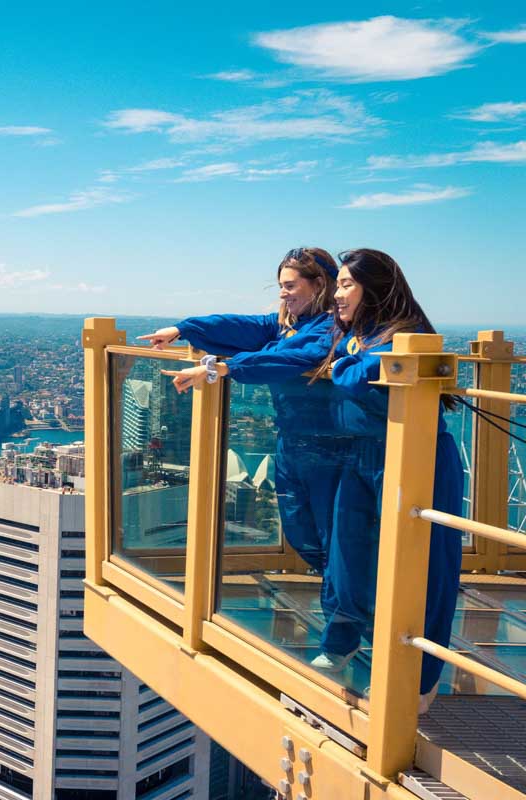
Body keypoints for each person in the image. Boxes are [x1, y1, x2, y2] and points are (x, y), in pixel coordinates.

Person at [311, 248, 462, 709]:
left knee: (422, 569)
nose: (336, 294)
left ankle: (419, 678)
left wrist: (343, 365)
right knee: (346, 557)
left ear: (372, 288)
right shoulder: (358, 334)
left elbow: (358, 377)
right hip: (362, 455)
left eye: (345, 285)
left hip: (416, 456)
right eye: (337, 284)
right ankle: (344, 643)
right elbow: (350, 369)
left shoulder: (408, 335)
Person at [138, 247, 339, 572]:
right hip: (293, 444)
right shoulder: (289, 326)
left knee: (331, 542)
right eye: (281, 287)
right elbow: (239, 328)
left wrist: (222, 368)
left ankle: (348, 612)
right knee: (304, 533)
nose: (283, 295)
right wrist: (183, 329)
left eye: (290, 286)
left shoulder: (329, 329)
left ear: (317, 285)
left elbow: (291, 358)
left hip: (328, 451)